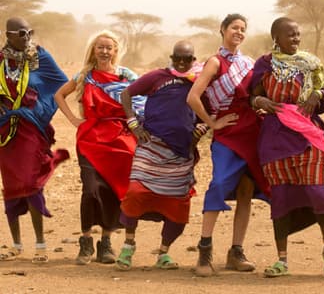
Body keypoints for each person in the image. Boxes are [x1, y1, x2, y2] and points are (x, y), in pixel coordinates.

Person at [249, 17, 324, 277]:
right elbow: (251, 96)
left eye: (298, 34)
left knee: (319, 192)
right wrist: (261, 101)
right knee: (281, 198)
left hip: (308, 137)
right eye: (290, 35)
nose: (296, 39)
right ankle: (282, 260)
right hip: (275, 139)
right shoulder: (264, 64)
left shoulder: (311, 63)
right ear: (275, 37)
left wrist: (318, 94)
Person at [186, 13, 270, 277]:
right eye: (234, 27)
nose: (239, 32)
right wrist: (212, 123)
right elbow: (193, 97)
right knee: (219, 184)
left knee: (246, 191)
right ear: (222, 30)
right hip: (228, 133)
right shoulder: (214, 62)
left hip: (251, 132)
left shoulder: (249, 63)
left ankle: (236, 251)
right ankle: (204, 249)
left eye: (243, 29)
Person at [115, 40, 208, 271]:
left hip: (182, 152)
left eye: (187, 59)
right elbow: (126, 94)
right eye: (178, 58)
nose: (182, 63)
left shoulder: (199, 82)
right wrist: (133, 122)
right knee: (136, 192)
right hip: (151, 145)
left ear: (193, 60)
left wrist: (202, 129)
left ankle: (164, 253)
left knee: (177, 204)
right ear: (171, 57)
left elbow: (210, 110)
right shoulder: (157, 76)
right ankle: (128, 245)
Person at [54, 30, 145, 265]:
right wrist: (74, 120)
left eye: (109, 47)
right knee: (90, 188)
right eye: (100, 47)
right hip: (90, 139)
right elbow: (59, 95)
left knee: (114, 190)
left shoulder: (126, 75)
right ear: (93, 50)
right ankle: (85, 243)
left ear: (115, 51)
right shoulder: (85, 75)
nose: (104, 51)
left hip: (120, 140)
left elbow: (143, 100)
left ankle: (105, 243)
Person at [0, 17, 69, 263]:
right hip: (6, 131)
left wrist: (39, 107)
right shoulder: (0, 60)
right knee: (11, 186)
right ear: (8, 35)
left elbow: (62, 83)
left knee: (30, 184)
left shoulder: (40, 57)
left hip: (31, 129)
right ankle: (16, 244)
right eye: (21, 33)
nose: (27, 36)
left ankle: (41, 244)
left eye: (30, 31)